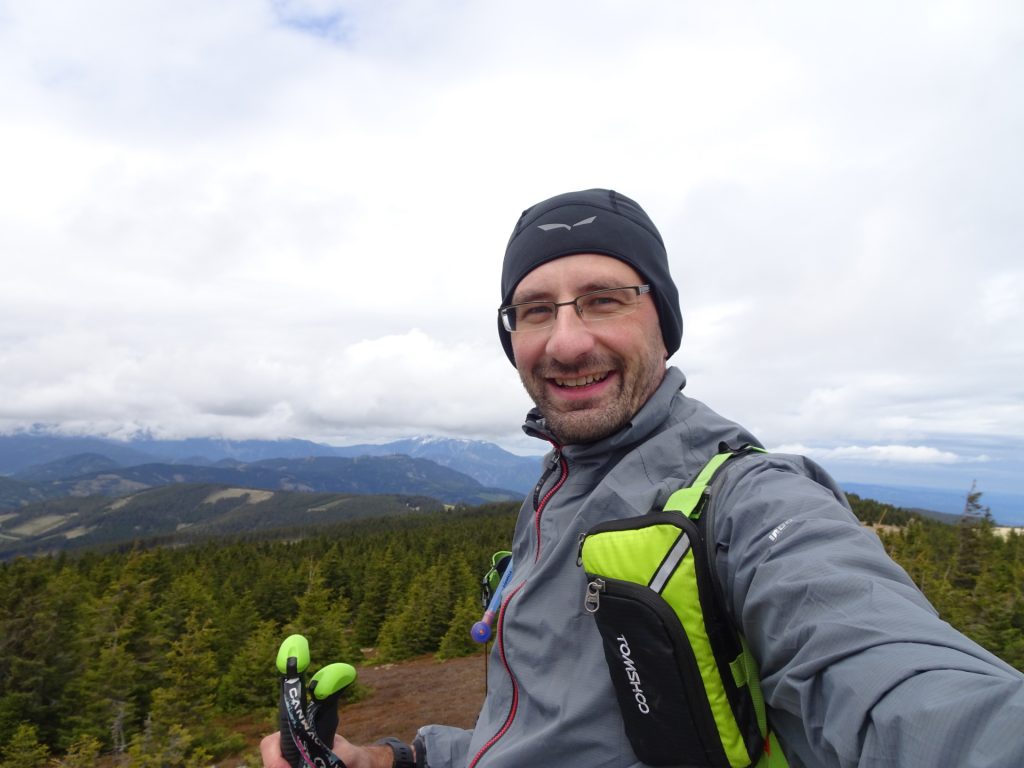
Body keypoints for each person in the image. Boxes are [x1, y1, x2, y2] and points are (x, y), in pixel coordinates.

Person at [263, 189, 1024, 768]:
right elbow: (549, 731)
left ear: (662, 319)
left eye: (604, 300)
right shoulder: (552, 490)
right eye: (535, 310)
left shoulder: (747, 502)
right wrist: (406, 757)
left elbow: (896, 690)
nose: (566, 341)